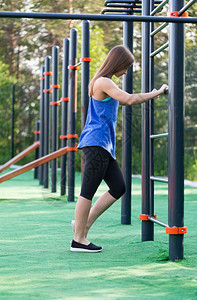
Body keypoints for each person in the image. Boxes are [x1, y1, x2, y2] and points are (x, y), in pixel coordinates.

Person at [70, 45, 168, 253]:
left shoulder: (106, 83)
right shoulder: (103, 81)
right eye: (125, 67)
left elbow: (121, 101)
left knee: (118, 186)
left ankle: (83, 226)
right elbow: (129, 99)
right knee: (87, 191)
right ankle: (78, 239)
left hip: (103, 145)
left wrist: (149, 94)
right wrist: (156, 93)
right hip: (96, 143)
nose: (125, 72)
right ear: (118, 63)